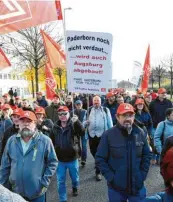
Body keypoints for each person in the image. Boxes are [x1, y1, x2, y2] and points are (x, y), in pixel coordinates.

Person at [96, 103, 152, 202]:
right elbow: (100, 158)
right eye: (124, 115)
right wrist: (111, 178)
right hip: (116, 189)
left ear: (134, 116)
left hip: (137, 186)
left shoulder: (141, 132)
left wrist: (142, 175)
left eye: (130, 115)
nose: (127, 118)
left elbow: (147, 155)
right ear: (117, 117)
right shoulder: (108, 135)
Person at [0, 110, 58, 202]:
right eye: (23, 121)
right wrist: (3, 187)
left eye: (29, 121)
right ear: (18, 123)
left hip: (37, 193)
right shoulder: (11, 141)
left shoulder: (45, 141)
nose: (26, 124)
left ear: (35, 124)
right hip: (15, 193)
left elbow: (53, 162)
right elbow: (4, 166)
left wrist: (44, 183)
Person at [50, 106, 84, 202]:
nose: (62, 116)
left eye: (64, 113)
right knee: (60, 181)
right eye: (60, 114)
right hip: (59, 160)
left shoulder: (73, 124)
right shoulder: (55, 127)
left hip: (72, 158)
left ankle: (74, 186)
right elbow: (51, 141)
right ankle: (63, 199)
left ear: (69, 113)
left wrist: (77, 122)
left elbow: (82, 132)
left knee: (75, 179)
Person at [83, 95, 113, 181]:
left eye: (98, 101)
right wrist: (85, 122)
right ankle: (98, 162)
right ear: (92, 101)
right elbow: (83, 123)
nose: (96, 102)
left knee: (99, 153)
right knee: (93, 152)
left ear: (101, 102)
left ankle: (98, 171)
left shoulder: (105, 110)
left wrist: (111, 134)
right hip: (91, 135)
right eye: (95, 100)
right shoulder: (88, 110)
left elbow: (110, 122)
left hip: (102, 135)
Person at [149, 88, 172, 164]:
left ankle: (160, 158)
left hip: (165, 125)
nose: (164, 94)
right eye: (162, 93)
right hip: (155, 126)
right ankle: (153, 157)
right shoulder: (152, 103)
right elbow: (150, 114)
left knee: (163, 141)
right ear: (158, 94)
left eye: (165, 93)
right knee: (154, 141)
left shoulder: (169, 103)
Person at [73, 100, 87, 166]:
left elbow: (87, 120)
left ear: (82, 104)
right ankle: (79, 156)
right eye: (77, 104)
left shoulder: (85, 111)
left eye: (80, 104)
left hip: (83, 130)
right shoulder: (72, 112)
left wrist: (84, 124)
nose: (78, 106)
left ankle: (84, 159)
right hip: (76, 131)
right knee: (77, 145)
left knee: (84, 145)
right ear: (75, 105)